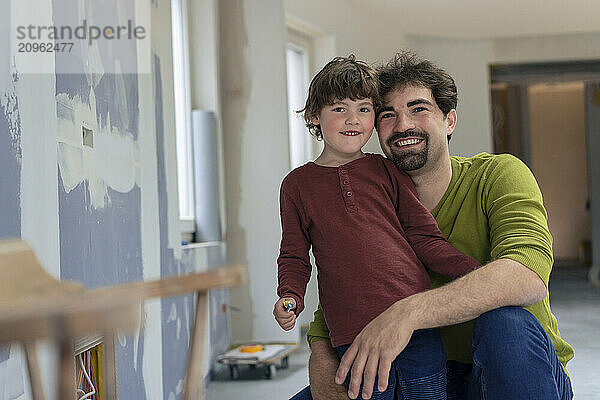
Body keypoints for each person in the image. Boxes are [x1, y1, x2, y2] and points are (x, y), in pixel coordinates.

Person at [291, 52, 574, 400]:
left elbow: (526, 277)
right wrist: (324, 375)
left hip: (509, 369)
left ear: (450, 120)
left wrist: (407, 313)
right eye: (387, 115)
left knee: (505, 323)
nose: (403, 125)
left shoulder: (498, 174)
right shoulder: (363, 199)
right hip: (414, 372)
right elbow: (338, 296)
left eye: (418, 109)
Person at [274, 55, 481, 399]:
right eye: (339, 109)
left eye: (364, 109)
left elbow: (424, 237)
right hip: (353, 336)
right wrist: (289, 295)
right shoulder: (297, 186)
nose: (353, 119)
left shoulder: (388, 171)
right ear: (314, 116)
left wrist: (477, 274)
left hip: (417, 328)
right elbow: (294, 254)